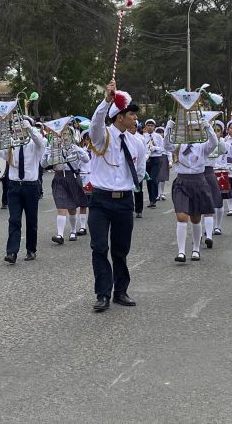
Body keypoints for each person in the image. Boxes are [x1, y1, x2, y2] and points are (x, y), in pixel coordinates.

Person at [87, 81, 146, 312]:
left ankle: (120, 291)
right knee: (99, 247)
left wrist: (128, 186)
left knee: (121, 249)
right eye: (131, 114)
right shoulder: (103, 137)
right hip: (101, 200)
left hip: (124, 200)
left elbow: (139, 171)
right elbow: (94, 125)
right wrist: (106, 101)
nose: (134, 118)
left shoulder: (137, 142)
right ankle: (102, 293)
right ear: (119, 117)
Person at [164, 116, 218, 261]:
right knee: (181, 216)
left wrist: (208, 127)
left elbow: (214, 143)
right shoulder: (179, 145)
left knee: (195, 218)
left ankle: (196, 248)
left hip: (198, 182)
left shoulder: (203, 146)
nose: (192, 132)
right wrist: (168, 129)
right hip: (182, 182)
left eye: (195, 129)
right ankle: (181, 252)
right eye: (189, 129)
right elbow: (167, 145)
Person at [0, 116, 46, 264]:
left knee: (31, 220)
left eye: (21, 128)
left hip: (31, 186)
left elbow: (41, 143)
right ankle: (11, 252)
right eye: (16, 128)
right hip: (14, 186)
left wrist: (30, 128)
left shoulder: (34, 144)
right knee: (14, 220)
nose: (18, 131)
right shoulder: (11, 144)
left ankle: (31, 249)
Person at [41, 124, 90, 244]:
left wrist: (78, 149)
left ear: (72, 136)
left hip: (72, 177)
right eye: (63, 135)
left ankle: (73, 231)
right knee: (61, 206)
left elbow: (86, 159)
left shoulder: (76, 148)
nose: (65, 137)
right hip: (59, 177)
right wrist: (47, 153)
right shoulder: (54, 148)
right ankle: (60, 235)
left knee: (72, 207)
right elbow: (43, 165)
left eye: (68, 134)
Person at [142, 119, 165, 207]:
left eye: (152, 125)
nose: (150, 127)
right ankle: (151, 199)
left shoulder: (158, 137)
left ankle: (154, 198)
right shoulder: (143, 136)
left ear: (154, 127)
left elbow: (162, 148)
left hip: (156, 158)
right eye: (148, 125)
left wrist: (155, 148)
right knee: (148, 179)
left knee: (153, 178)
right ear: (146, 127)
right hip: (147, 159)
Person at [127, 119, 146, 218]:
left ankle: (139, 209)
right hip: (127, 169)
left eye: (134, 126)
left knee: (138, 190)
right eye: (130, 126)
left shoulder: (140, 139)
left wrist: (141, 171)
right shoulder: (124, 138)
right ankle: (129, 209)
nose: (132, 128)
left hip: (137, 167)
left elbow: (143, 155)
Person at [155, 126, 171, 200]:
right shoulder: (154, 140)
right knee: (157, 177)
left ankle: (162, 192)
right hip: (156, 158)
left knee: (163, 177)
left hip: (164, 158)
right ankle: (157, 193)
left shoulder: (165, 141)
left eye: (161, 132)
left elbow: (169, 151)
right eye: (158, 132)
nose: (160, 134)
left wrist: (170, 161)